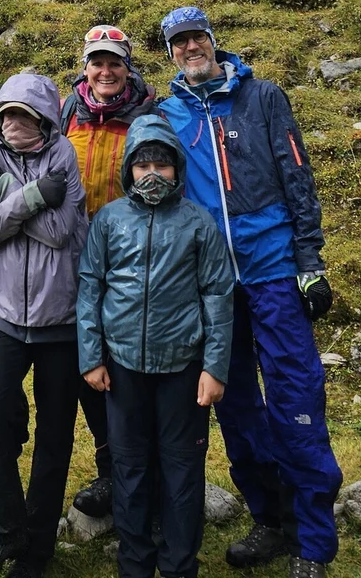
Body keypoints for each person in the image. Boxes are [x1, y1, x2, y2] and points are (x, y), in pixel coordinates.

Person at [153, 7, 341, 578]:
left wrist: (309, 259)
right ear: (170, 54)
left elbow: (297, 178)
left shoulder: (263, 98)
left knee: (295, 399)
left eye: (197, 38)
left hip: (275, 270)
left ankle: (313, 541)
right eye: (179, 42)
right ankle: (269, 519)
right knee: (234, 407)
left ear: (214, 41)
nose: (190, 48)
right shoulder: (167, 114)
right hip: (212, 284)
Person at [77, 114, 233, 578]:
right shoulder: (108, 220)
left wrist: (215, 367)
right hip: (122, 368)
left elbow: (219, 296)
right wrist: (91, 356)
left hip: (183, 368)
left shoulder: (198, 222)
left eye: (161, 165)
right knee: (129, 466)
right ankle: (135, 563)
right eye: (142, 164)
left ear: (176, 170)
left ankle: (180, 565)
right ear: (128, 169)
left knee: (183, 470)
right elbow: (90, 287)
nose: (151, 174)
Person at [0, 73, 86, 578]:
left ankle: (37, 546)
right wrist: (32, 195)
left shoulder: (64, 155)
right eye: (6, 114)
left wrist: (7, 194)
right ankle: (2, 527)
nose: (12, 124)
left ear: (42, 118)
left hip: (60, 318)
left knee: (54, 435)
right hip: (3, 317)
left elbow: (61, 234)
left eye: (22, 115)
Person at [61, 24, 156, 519]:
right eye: (97, 62)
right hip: (75, 265)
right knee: (89, 371)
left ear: (127, 67)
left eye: (114, 62)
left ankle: (143, 472)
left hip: (130, 266)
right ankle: (110, 470)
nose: (105, 71)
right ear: (85, 66)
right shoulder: (65, 112)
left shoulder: (147, 115)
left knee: (130, 369)